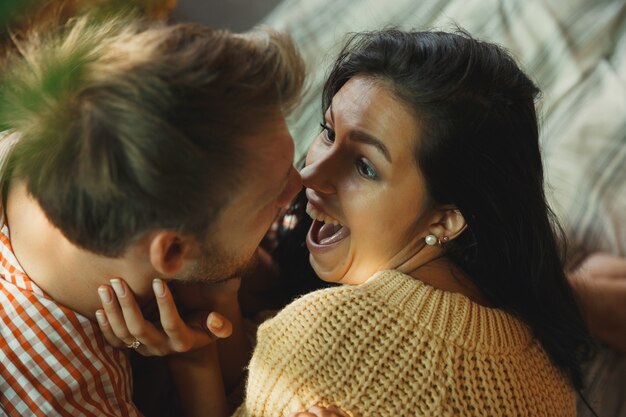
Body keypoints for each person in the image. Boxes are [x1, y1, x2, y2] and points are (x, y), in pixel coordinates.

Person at [99, 29, 597, 416]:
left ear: (447, 219)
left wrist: (188, 361)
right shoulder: (547, 373)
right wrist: (217, 308)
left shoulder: (327, 331)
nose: (308, 176)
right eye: (327, 131)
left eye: (365, 166)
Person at [0, 12, 305, 416]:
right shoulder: (64, 399)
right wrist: (194, 360)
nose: (299, 185)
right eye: (274, 191)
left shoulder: (48, 142)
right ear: (173, 252)